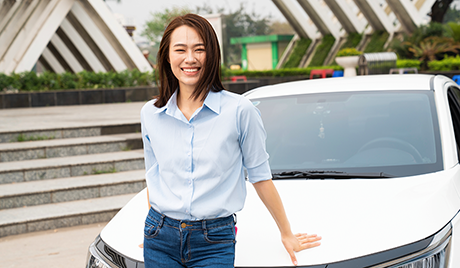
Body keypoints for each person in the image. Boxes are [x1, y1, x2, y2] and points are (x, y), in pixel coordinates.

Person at [140, 13, 321, 268]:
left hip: (213, 240)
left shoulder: (240, 110)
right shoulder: (151, 114)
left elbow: (260, 176)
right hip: (159, 238)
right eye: (180, 49)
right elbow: (154, 174)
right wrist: (154, 229)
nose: (190, 58)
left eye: (199, 50)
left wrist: (286, 232)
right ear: (167, 55)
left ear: (212, 55)